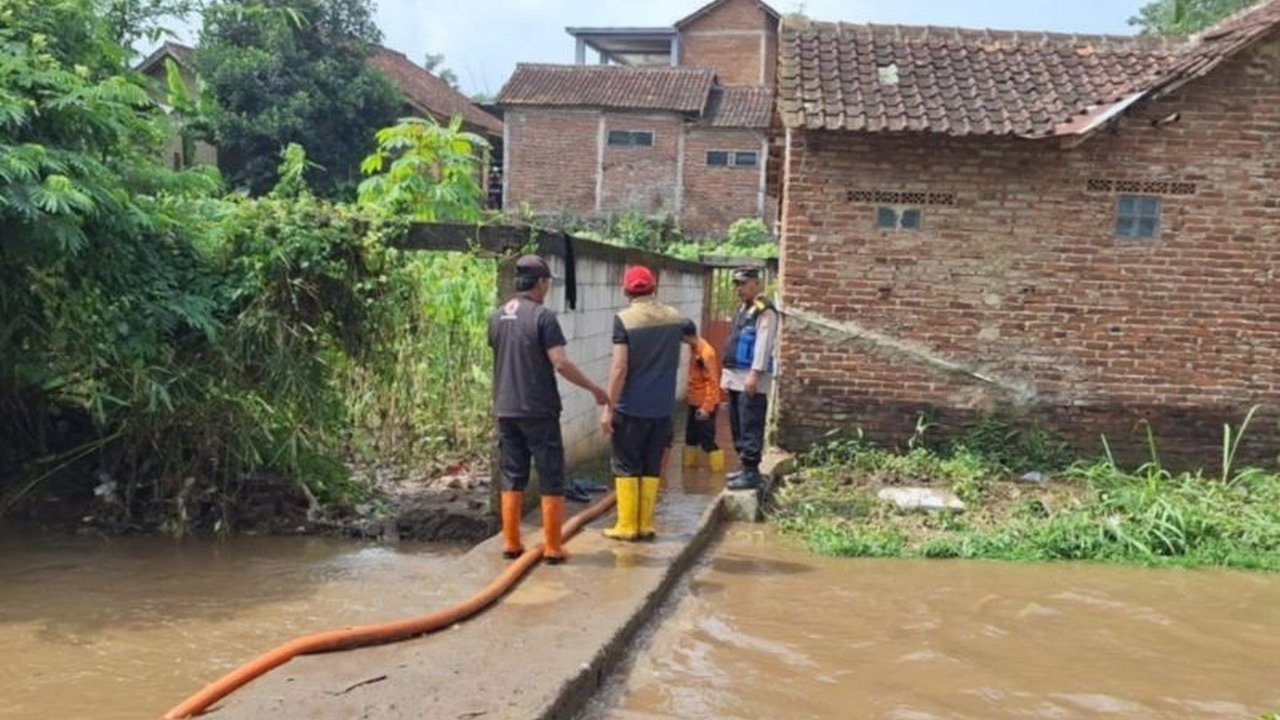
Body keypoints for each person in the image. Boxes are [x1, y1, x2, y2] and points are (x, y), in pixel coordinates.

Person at [488, 255, 608, 564]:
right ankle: (553, 547)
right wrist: (594, 389)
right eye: (548, 283)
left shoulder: (497, 316)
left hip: (505, 409)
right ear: (540, 283)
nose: (548, 289)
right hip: (539, 410)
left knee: (512, 475)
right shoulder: (543, 317)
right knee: (551, 475)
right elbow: (560, 362)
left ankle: (511, 544)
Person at [600, 265, 683, 542]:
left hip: (631, 408)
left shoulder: (624, 320)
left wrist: (608, 407)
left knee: (626, 465)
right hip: (663, 409)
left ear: (625, 290)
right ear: (654, 286)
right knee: (651, 465)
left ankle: (626, 526)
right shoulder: (674, 317)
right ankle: (646, 524)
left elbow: (620, 367)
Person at [720, 266, 778, 491]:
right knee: (737, 423)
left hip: (751, 376)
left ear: (756, 284)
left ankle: (752, 471)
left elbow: (763, 344)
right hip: (736, 376)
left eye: (743, 284)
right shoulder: (744, 309)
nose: (739, 289)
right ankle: (744, 467)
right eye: (737, 285)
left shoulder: (765, 310)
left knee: (750, 422)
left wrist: (755, 373)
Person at [679, 318, 725, 472]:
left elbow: (713, 383)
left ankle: (718, 474)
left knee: (707, 441)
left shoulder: (706, 353)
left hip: (706, 403)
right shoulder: (694, 348)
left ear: (684, 336)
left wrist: (706, 407)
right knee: (690, 440)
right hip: (694, 401)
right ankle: (688, 474)